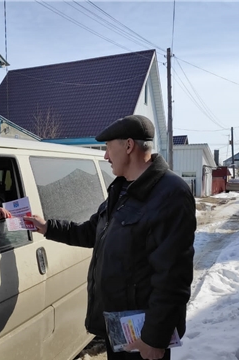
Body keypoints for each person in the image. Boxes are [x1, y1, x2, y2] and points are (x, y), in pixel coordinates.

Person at [24, 115, 196, 360]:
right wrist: (47, 227)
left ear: (128, 146)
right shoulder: (123, 188)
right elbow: (91, 231)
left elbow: (172, 277)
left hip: (144, 334)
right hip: (120, 328)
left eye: (107, 148)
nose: (105, 156)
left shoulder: (171, 193)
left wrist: (154, 338)